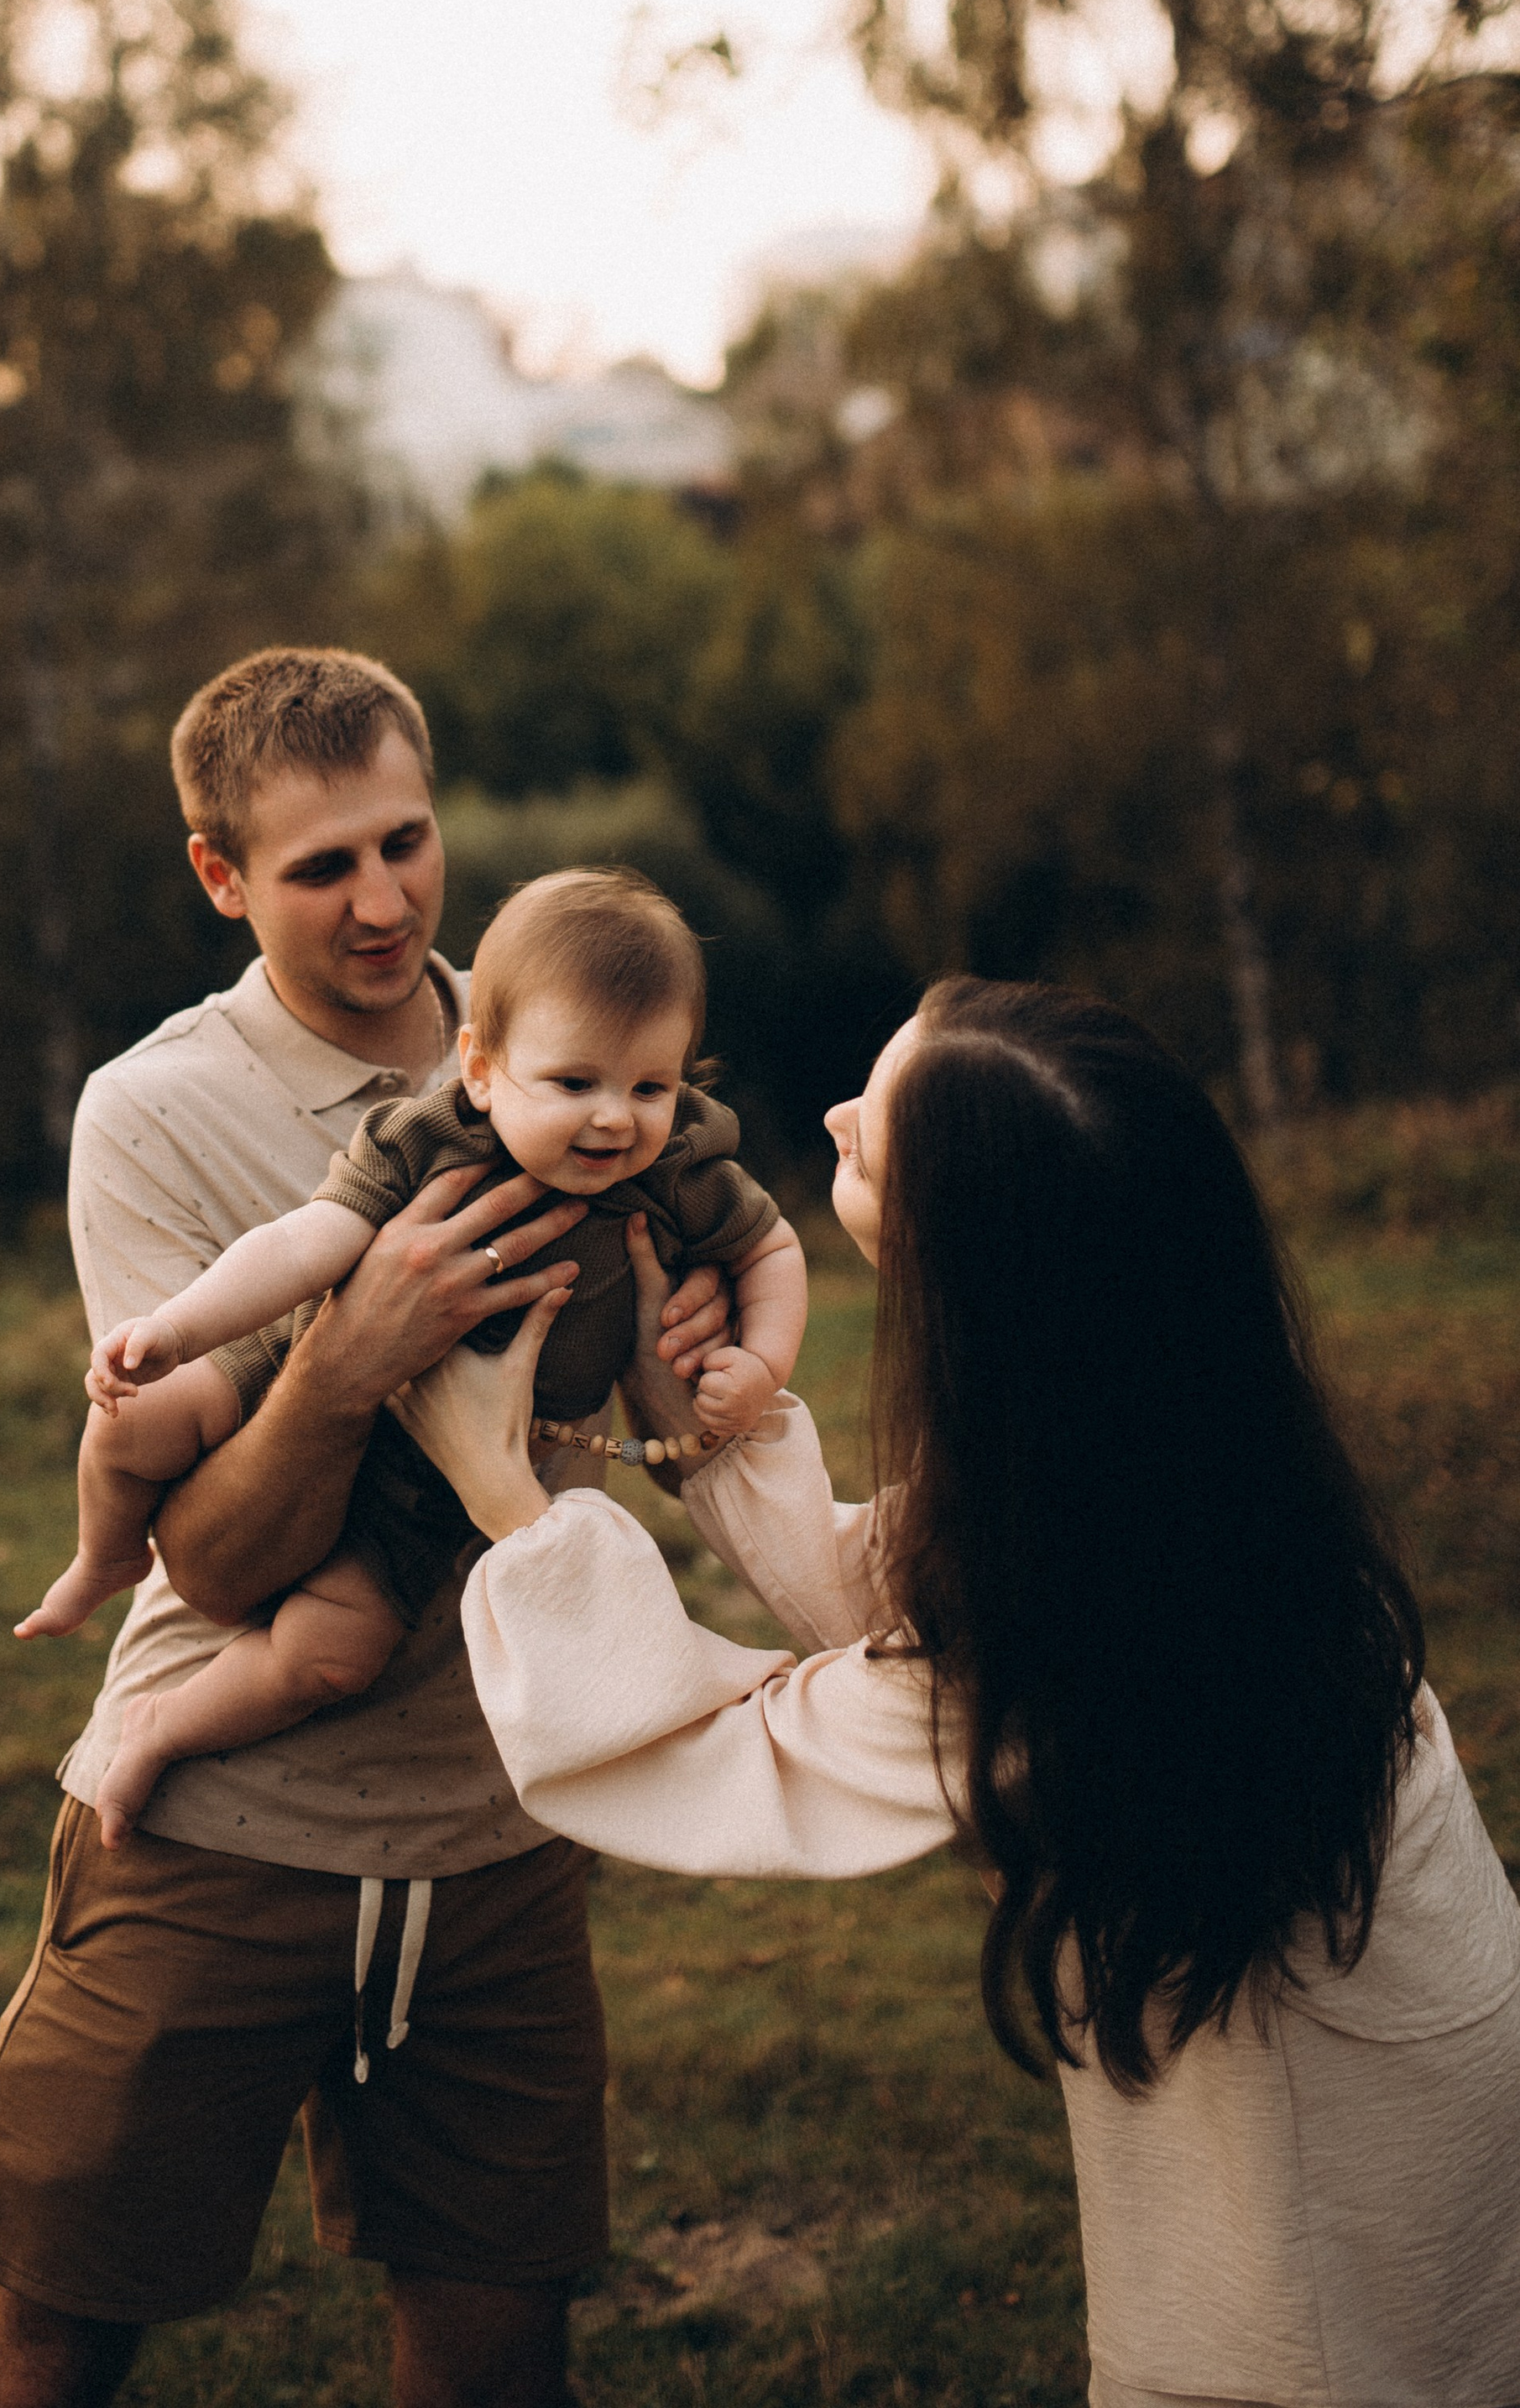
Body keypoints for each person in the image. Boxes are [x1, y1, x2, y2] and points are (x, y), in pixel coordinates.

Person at [400, 979, 1520, 2407]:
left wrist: (509, 1498)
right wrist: (702, 1415)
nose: (829, 1117)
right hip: (1437, 2063)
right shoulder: (1178, 1452)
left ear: (959, 1262)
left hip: (1331, 2186)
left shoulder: (1086, 1653)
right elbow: (902, 1594)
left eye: (869, 1140)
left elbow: (727, 1747)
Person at [0, 647, 735, 2408]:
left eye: (406, 839)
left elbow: (680, 1379)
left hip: (503, 1827)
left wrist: (709, 1361)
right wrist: (349, 1356)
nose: (383, 900)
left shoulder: (573, 1041)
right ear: (221, 876)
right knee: (63, 2320)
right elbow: (212, 1564)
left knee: (497, 2338)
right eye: (319, 867)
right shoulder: (152, 1114)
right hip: (224, 1832)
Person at [18, 864, 806, 1844]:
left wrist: (761, 1362)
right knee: (133, 1418)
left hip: (430, 1493)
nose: (615, 1115)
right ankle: (101, 1556)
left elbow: (771, 1246)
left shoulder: (680, 1168)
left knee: (329, 1654)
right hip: (295, 1352)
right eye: (574, 1083)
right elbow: (306, 1242)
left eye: (651, 1084)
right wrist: (177, 1330)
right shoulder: (427, 1138)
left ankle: (161, 1726)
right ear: (480, 1069)